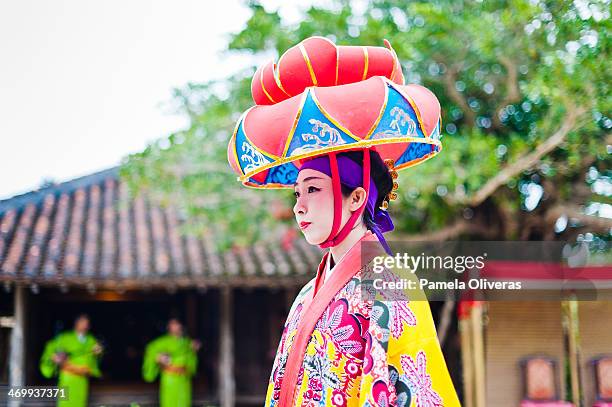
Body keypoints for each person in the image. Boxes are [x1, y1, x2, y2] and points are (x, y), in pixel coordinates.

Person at [227, 36, 461, 406]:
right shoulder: (307, 295)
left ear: (357, 197)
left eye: (314, 190)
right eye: (297, 193)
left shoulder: (390, 286)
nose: (299, 207)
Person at [39, 314, 103, 407]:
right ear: (76, 323)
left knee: (80, 402)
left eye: (87, 323)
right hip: (67, 377)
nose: (85, 326)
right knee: (65, 402)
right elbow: (51, 350)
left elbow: (97, 357)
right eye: (82, 322)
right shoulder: (64, 338)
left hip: (82, 378)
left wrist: (98, 353)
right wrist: (54, 358)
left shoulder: (91, 340)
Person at [142, 318, 199, 407]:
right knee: (169, 402)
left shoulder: (187, 342)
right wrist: (158, 357)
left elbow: (191, 360)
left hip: (184, 379)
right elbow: (150, 350)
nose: (175, 327)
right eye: (172, 324)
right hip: (169, 377)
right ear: (168, 327)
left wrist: (193, 351)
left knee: (184, 401)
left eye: (177, 324)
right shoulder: (162, 341)